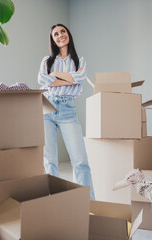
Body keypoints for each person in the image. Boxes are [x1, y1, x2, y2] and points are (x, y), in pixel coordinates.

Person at [38, 23, 95, 200]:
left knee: (80, 162)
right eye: (56, 34)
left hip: (67, 109)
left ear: (68, 34)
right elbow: (42, 80)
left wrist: (55, 75)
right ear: (53, 40)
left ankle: (88, 204)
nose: (60, 35)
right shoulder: (47, 61)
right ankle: (53, 202)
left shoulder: (80, 60)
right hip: (46, 107)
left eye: (63, 31)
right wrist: (70, 78)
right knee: (50, 161)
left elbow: (80, 78)